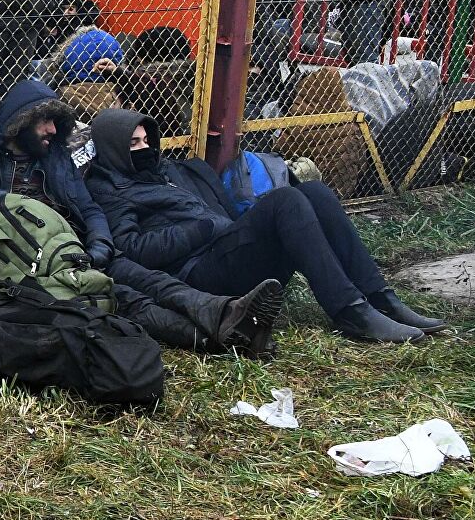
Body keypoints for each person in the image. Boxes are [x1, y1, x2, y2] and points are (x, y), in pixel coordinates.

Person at [0, 78, 276, 355]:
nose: (53, 130)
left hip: (75, 246)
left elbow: (88, 208)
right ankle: (222, 341)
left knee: (150, 279)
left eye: (56, 122)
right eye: (45, 121)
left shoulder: (55, 160)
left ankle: (227, 313)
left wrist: (101, 242)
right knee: (125, 299)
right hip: (26, 261)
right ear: (21, 121)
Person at [86, 108, 449, 344]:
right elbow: (130, 250)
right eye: (134, 143)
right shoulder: (109, 189)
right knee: (285, 200)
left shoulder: (166, 171)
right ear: (114, 149)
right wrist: (201, 230)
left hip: (225, 250)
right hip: (197, 274)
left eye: (148, 138)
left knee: (315, 192)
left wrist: (223, 224)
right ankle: (350, 312)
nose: (146, 146)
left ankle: (380, 298)